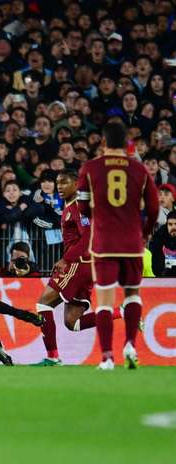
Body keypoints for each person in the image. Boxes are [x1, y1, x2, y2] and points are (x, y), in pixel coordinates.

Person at [77, 122, 159, 370]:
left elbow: (81, 206)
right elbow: (154, 209)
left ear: (103, 142)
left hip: (103, 244)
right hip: (133, 244)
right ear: (127, 144)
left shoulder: (90, 168)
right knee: (132, 295)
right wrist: (143, 233)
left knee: (104, 300)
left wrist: (95, 218)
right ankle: (131, 345)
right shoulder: (139, 169)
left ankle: (107, 357)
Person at [32, 169, 122, 366]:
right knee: (72, 322)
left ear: (76, 184)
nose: (60, 187)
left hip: (79, 264)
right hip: (84, 265)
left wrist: (67, 258)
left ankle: (53, 357)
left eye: (64, 182)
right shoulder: (72, 207)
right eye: (58, 183)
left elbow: (89, 236)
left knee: (43, 304)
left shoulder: (80, 208)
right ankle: (121, 312)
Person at [149, 210, 176, 277]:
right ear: (166, 224)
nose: (173, 227)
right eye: (170, 224)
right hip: (164, 275)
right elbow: (156, 268)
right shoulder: (159, 236)